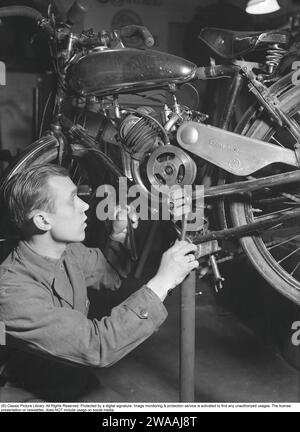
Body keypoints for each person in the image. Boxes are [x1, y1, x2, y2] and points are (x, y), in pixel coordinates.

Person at [0, 164, 199, 402]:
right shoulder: (12, 291)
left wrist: (119, 234)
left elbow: (110, 275)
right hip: (23, 393)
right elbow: (96, 346)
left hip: (69, 378)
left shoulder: (67, 251)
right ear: (43, 220)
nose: (85, 206)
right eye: (72, 200)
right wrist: (162, 282)